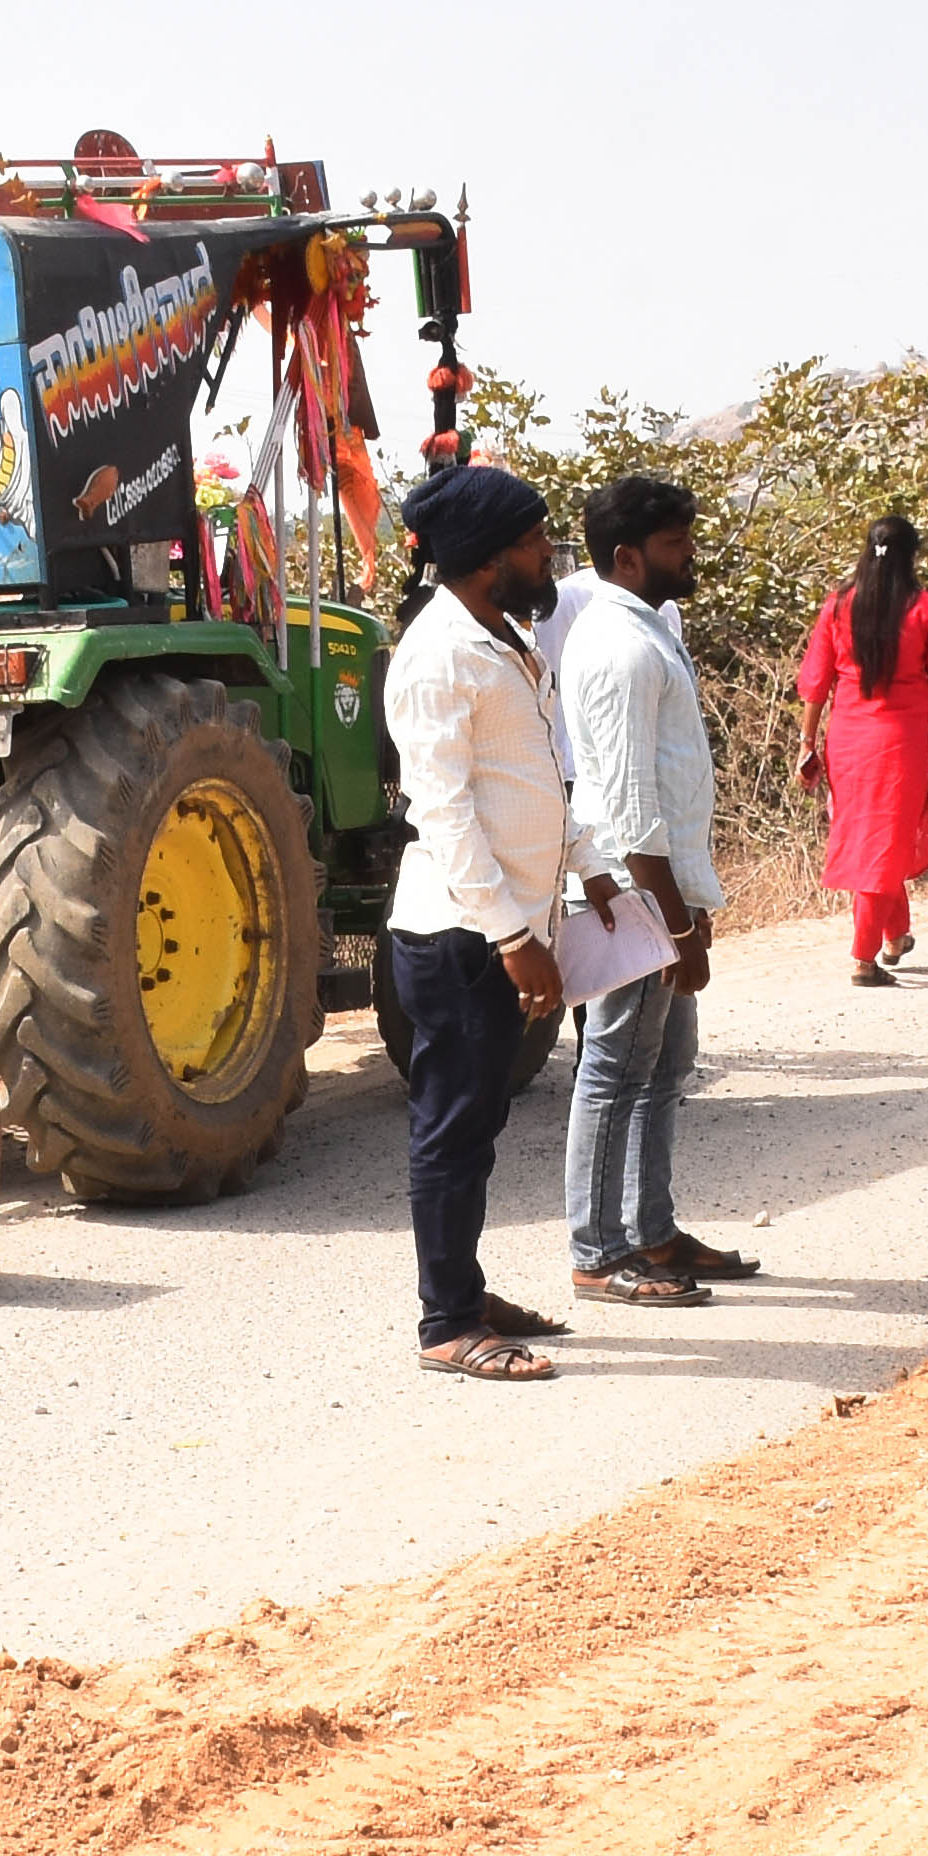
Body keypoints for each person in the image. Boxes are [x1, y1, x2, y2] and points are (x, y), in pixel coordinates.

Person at [381, 463, 575, 1384]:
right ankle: (448, 1322)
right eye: (534, 541)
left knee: (478, 1120)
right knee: (453, 1129)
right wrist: (511, 936)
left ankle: (465, 1285)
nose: (547, 554)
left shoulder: (499, 636)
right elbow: (445, 813)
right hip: (461, 937)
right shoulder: (437, 657)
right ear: (490, 560)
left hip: (502, 928)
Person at [556, 472, 752, 1308]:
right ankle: (599, 1253)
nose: (690, 555)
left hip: (658, 891)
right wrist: (678, 927)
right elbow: (633, 809)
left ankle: (655, 1234)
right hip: (636, 897)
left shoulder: (645, 629)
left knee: (664, 1065)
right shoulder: (622, 646)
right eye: (675, 545)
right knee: (614, 1069)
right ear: (628, 557)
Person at [790, 509, 928, 986]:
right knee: (884, 840)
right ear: (910, 557)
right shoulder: (923, 608)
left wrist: (807, 743)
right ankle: (863, 956)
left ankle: (895, 936)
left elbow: (815, 683)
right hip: (899, 745)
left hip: (848, 743)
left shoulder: (837, 607)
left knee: (873, 837)